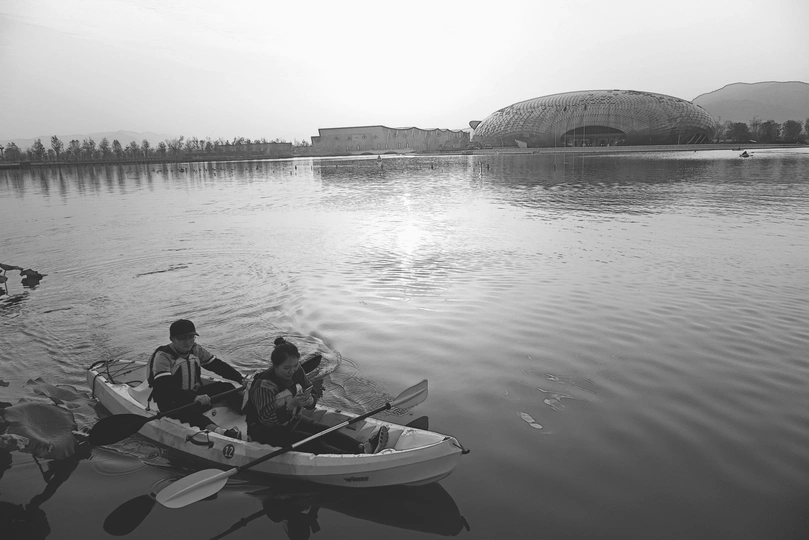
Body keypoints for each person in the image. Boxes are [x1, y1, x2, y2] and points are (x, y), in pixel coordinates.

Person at [245, 337, 388, 454]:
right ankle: (354, 457)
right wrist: (291, 405)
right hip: (265, 430)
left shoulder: (297, 371)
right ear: (275, 366)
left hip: (291, 420)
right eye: (286, 368)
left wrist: (309, 400)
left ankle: (362, 448)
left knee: (324, 430)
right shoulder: (264, 385)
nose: (292, 371)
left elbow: (311, 391)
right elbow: (267, 421)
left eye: (295, 366)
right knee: (312, 441)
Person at [147, 319, 245, 439]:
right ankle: (222, 432)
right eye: (182, 338)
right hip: (171, 401)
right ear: (172, 339)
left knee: (227, 387)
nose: (188, 342)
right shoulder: (163, 357)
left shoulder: (196, 349)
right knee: (190, 412)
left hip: (193, 393)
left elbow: (218, 366)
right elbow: (165, 387)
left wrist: (240, 379)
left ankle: (247, 411)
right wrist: (194, 398)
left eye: (191, 337)